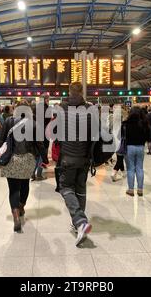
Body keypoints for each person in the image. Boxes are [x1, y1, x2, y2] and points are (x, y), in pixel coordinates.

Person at [0, 100, 48, 233]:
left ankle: (15, 216)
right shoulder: (34, 124)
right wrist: (45, 158)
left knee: (13, 189)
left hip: (11, 159)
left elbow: (1, 140)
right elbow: (40, 144)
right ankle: (21, 206)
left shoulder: (8, 121)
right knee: (25, 184)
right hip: (28, 159)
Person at [57, 83, 95, 246]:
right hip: (85, 157)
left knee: (65, 187)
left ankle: (80, 222)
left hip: (68, 156)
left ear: (69, 92)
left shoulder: (62, 109)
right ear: (82, 92)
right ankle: (79, 223)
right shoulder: (90, 110)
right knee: (80, 189)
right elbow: (95, 134)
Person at [123, 107, 150, 197]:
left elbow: (120, 136)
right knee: (140, 168)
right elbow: (148, 137)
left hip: (129, 147)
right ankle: (140, 189)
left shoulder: (125, 124)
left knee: (130, 169)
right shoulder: (144, 124)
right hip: (141, 147)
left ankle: (130, 189)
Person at [32, 93, 51, 181]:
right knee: (43, 154)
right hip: (44, 133)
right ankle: (38, 174)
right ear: (46, 100)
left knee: (37, 154)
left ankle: (32, 173)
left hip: (36, 133)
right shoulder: (47, 109)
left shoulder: (35, 108)